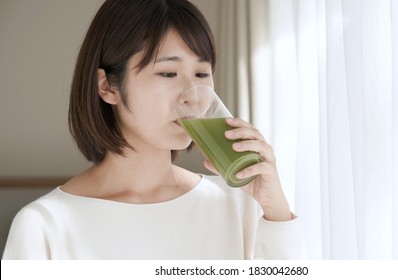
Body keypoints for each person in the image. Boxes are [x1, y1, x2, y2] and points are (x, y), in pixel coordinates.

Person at [2, 0, 304, 260]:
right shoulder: (45, 226)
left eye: (201, 73)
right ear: (107, 86)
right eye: (168, 73)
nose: (192, 94)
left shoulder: (236, 204)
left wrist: (276, 212)